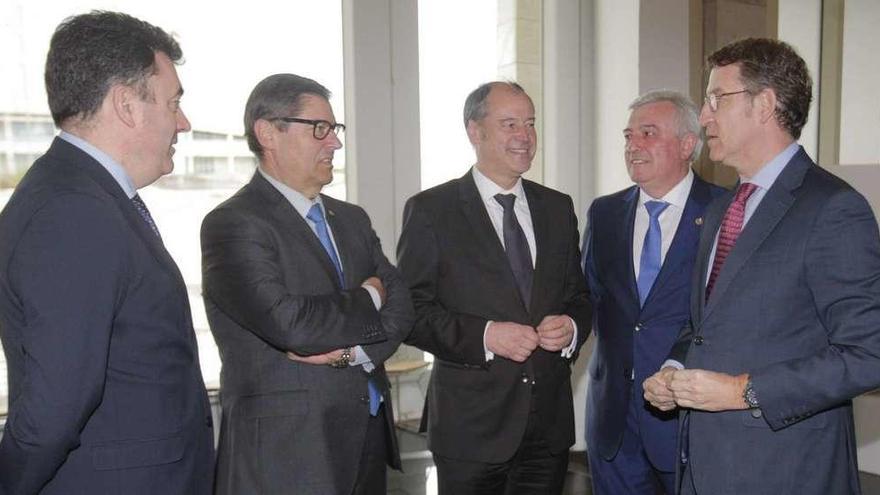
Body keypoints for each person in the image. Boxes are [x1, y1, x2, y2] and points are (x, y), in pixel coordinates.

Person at [643, 38, 880, 494]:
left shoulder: (833, 208)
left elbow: (868, 354)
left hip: (786, 472)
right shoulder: (722, 209)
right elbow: (704, 326)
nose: (705, 115)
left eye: (716, 99)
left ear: (766, 104)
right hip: (704, 467)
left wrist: (741, 391)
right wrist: (674, 368)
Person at [0, 11, 214, 494]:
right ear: (126, 105)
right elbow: (54, 409)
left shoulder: (90, 198)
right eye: (173, 102)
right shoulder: (71, 212)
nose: (183, 122)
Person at [201, 73, 413, 495]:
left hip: (368, 438)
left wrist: (353, 354)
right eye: (320, 129)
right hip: (288, 454)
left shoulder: (351, 219)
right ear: (268, 133)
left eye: (334, 130)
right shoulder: (234, 223)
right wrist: (370, 294)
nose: (333, 143)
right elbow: (292, 325)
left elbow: (403, 304)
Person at [397, 81, 592, 494]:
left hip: (548, 430)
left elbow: (579, 295)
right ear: (475, 130)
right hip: (470, 430)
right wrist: (486, 336)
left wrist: (572, 327)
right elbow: (412, 311)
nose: (525, 136)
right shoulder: (432, 211)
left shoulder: (557, 208)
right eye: (509, 123)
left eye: (530, 123)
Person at [582, 90, 724, 495]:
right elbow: (588, 296)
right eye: (629, 136)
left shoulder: (723, 212)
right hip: (614, 422)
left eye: (648, 133)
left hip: (688, 417)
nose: (633, 146)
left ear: (687, 145)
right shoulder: (604, 213)